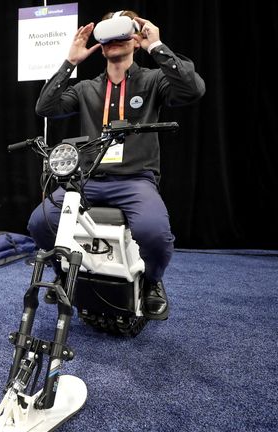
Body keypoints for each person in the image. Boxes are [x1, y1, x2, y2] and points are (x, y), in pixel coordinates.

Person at [28, 11, 205, 320]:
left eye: (124, 29)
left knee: (153, 233)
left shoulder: (152, 80)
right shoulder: (86, 88)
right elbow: (45, 107)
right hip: (87, 180)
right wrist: (70, 62)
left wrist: (157, 46)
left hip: (135, 180)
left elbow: (192, 90)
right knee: (40, 222)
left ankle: (152, 281)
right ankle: (61, 272)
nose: (115, 39)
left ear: (134, 39)